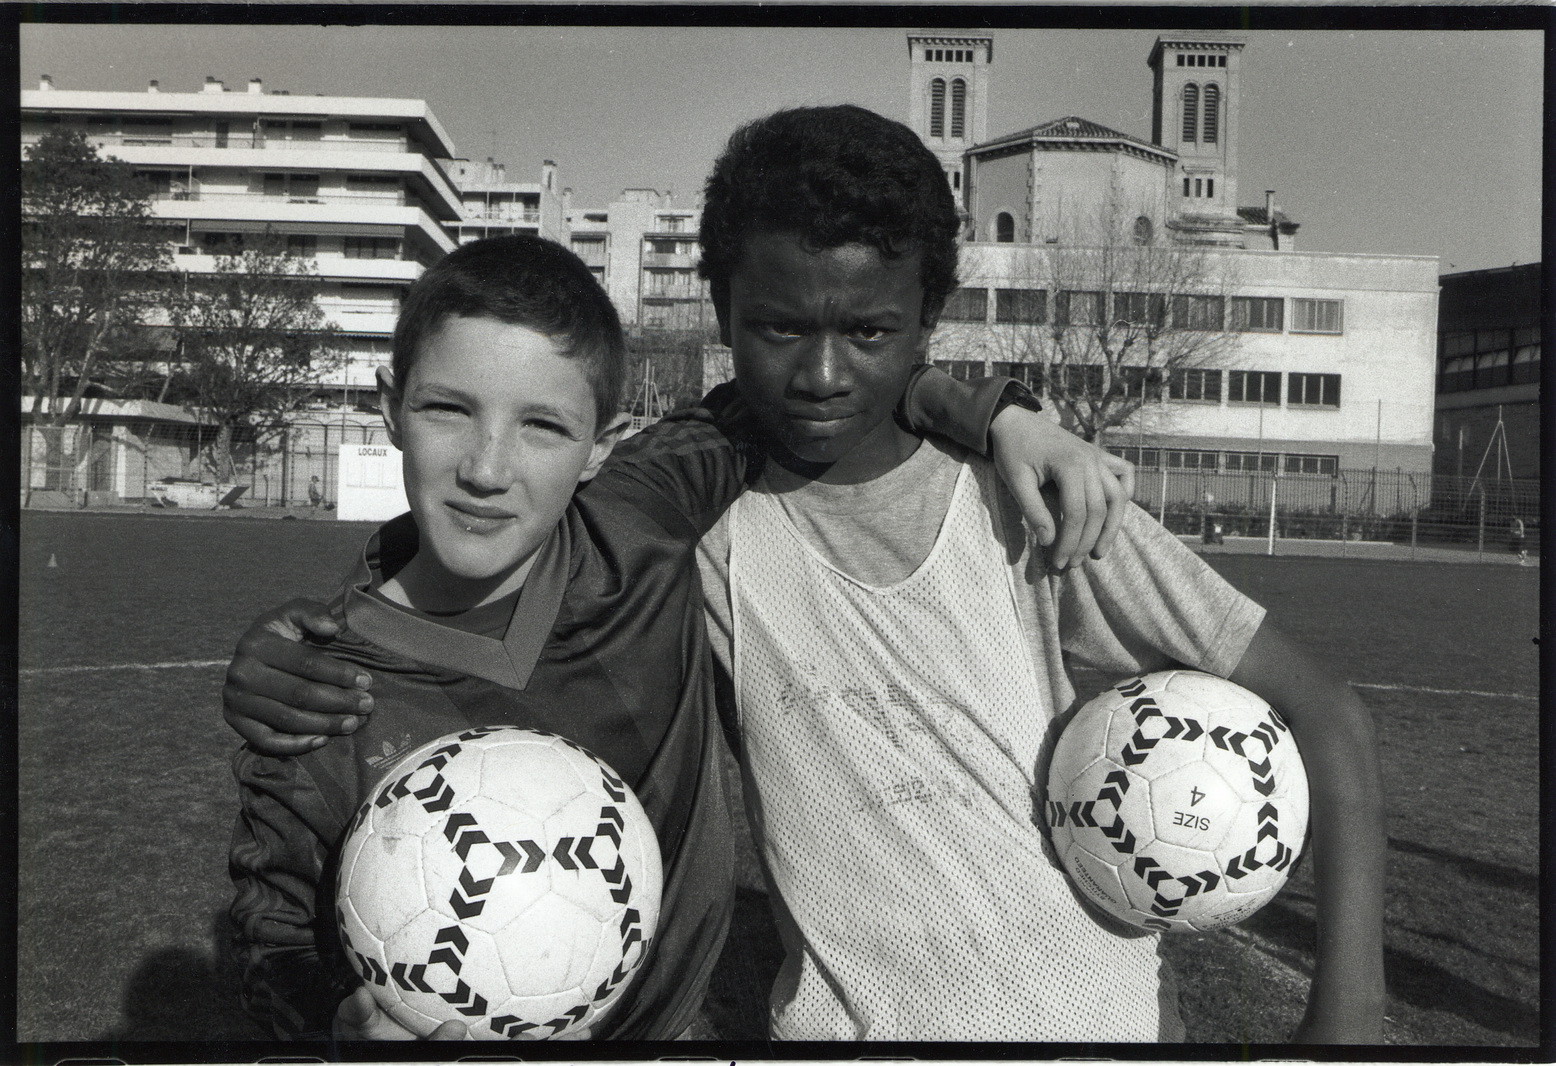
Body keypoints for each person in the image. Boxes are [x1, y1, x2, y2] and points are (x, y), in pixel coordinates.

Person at [227, 105, 1385, 1043]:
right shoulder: (698, 522)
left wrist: (1349, 1022)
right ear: (725, 317)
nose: (822, 374)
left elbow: (1324, 712)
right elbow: (499, 551)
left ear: (926, 322)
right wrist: (309, 635)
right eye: (778, 330)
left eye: (869, 334)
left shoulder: (1034, 502)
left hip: (1096, 1021)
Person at [227, 233, 1133, 1042]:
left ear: (604, 443)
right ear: (390, 407)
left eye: (543, 426)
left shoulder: (641, 519)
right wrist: (333, 1021)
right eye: (447, 410)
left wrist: (1001, 414)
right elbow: (273, 940)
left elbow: (810, 385)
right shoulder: (314, 696)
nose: (487, 468)